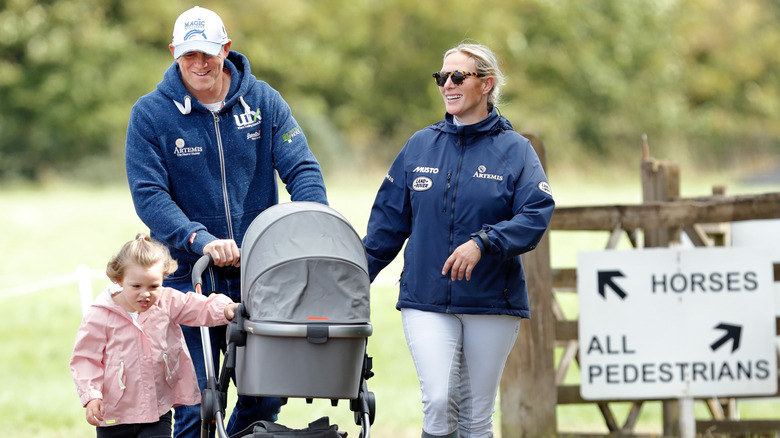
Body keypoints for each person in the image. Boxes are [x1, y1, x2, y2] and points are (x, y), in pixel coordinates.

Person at [124, 6, 328, 437]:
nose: (200, 63)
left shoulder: (264, 101)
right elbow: (149, 196)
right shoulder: (150, 114)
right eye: (189, 54)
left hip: (261, 276)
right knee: (197, 401)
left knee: (266, 396)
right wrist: (200, 239)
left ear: (226, 49)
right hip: (185, 278)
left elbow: (302, 170)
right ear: (174, 52)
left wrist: (310, 227)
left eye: (208, 53)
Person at [362, 42, 555, 438]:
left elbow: (536, 214)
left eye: (457, 76)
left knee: (475, 418)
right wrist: (351, 279)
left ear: (486, 84)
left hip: (492, 301)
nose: (447, 84)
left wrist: (484, 242)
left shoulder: (516, 151)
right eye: (441, 77)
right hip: (426, 298)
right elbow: (386, 227)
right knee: (438, 403)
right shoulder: (419, 146)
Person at [70, 234, 239, 438]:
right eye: (136, 286)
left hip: (156, 411)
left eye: (153, 286)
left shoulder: (165, 301)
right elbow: (86, 359)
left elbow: (195, 306)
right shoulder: (100, 314)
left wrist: (226, 309)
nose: (145, 294)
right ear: (119, 280)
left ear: (163, 279)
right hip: (114, 414)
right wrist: (91, 396)